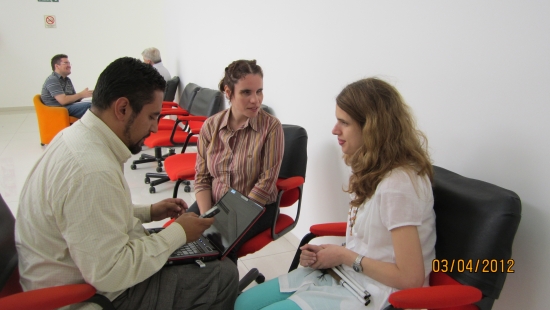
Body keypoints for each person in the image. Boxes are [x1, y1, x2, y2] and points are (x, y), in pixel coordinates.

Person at [16, 57, 238, 310]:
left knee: (207, 253)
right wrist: (178, 233)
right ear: (122, 109)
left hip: (80, 268)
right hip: (91, 296)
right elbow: (111, 274)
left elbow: (85, 215)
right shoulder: (91, 170)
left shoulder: (76, 138)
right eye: (152, 116)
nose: (155, 128)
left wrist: (148, 212)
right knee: (223, 276)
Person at [234, 77, 436, 310]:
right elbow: (371, 242)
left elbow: (410, 278)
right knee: (243, 303)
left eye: (344, 122)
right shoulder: (374, 170)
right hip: (349, 275)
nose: (334, 129)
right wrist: (329, 254)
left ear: (372, 128)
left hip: (378, 294)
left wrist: (343, 255)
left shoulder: (399, 185)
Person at [189, 59, 285, 262]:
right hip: (216, 201)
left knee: (219, 249)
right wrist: (207, 218)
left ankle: (225, 291)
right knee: (183, 236)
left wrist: (229, 221)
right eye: (246, 92)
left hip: (256, 207)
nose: (255, 100)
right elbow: (202, 178)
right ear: (228, 92)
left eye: (259, 91)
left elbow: (266, 182)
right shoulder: (210, 127)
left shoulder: (271, 127)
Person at [41, 54, 93, 118]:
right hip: (58, 110)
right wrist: (81, 94)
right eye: (66, 63)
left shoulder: (67, 80)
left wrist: (87, 95)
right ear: (57, 66)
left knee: (96, 103)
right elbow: (63, 101)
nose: (69, 66)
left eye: (69, 63)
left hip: (67, 107)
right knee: (92, 107)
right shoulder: (52, 80)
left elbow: (73, 99)